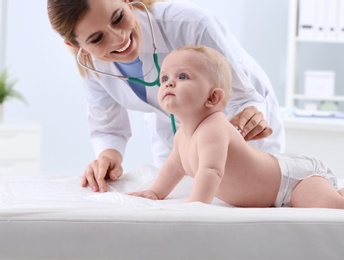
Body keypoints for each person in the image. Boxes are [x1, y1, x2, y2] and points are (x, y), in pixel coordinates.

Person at [129, 45, 344, 213]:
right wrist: (156, 192)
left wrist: (194, 208)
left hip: (291, 182)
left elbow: (210, 172)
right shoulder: (182, 135)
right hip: (274, 182)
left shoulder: (214, 127)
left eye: (183, 76)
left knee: (334, 205)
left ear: (213, 98)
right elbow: (174, 168)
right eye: (165, 77)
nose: (168, 83)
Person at [47, 0, 285, 193]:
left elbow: (242, 97)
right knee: (174, 208)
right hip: (173, 139)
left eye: (118, 18)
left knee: (248, 202)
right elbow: (108, 129)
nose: (119, 38)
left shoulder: (190, 24)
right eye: (97, 38)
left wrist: (250, 116)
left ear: (128, 1)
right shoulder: (92, 65)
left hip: (238, 128)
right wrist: (107, 157)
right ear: (77, 46)